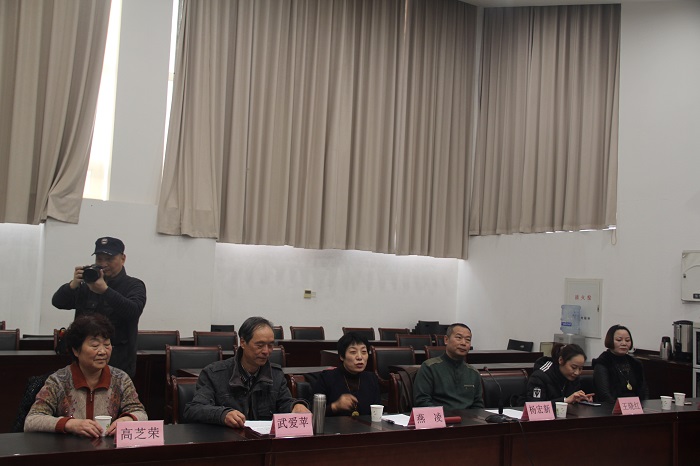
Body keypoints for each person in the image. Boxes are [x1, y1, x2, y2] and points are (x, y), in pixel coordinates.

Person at [24, 314, 147, 436]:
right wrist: (69, 424)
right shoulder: (58, 381)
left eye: (107, 345)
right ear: (76, 350)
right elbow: (32, 420)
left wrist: (128, 420)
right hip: (69, 447)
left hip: (107, 447)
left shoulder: (120, 379)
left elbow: (140, 413)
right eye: (95, 346)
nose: (103, 351)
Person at [184, 316, 310, 427]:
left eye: (270, 345)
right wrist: (222, 415)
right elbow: (194, 409)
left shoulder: (276, 374)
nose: (266, 351)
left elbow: (284, 403)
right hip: (229, 440)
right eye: (260, 345)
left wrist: (295, 406)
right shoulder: (214, 374)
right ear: (243, 342)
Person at [52, 237, 146, 378]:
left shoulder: (134, 285)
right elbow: (58, 302)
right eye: (99, 259)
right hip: (84, 362)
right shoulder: (87, 285)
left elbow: (133, 311)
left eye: (109, 259)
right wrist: (72, 285)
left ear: (123, 259)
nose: (103, 264)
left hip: (118, 363)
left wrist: (105, 291)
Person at [413, 323, 484, 410]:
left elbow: (478, 405)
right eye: (459, 338)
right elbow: (422, 402)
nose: (463, 343)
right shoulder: (429, 367)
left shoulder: (473, 373)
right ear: (446, 340)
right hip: (440, 417)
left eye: (468, 340)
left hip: (468, 418)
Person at [311, 332, 381, 416]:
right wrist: (335, 406)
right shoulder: (327, 378)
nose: (359, 357)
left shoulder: (371, 379)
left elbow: (377, 410)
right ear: (341, 356)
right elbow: (313, 412)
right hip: (333, 424)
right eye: (353, 352)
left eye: (364, 352)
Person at [521, 343, 593, 405]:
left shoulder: (574, 378)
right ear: (561, 360)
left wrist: (581, 400)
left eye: (580, 368)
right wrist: (565, 400)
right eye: (573, 367)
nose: (577, 372)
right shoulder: (539, 377)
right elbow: (535, 406)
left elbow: (572, 400)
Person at [593, 324, 648, 403]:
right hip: (611, 407)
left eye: (627, 340)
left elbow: (644, 391)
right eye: (619, 340)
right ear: (610, 341)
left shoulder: (636, 363)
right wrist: (619, 407)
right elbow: (604, 395)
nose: (624, 343)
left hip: (635, 406)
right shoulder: (603, 362)